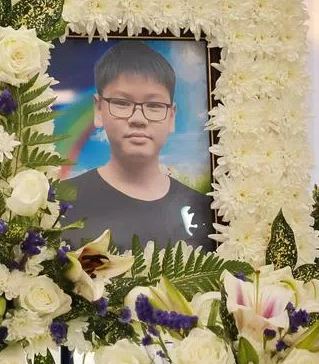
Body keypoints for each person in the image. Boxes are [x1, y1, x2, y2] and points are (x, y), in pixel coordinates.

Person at [63, 40, 213, 252]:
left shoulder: (205, 210)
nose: (138, 119)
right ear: (98, 109)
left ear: (171, 116)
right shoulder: (59, 203)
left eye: (154, 105)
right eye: (122, 103)